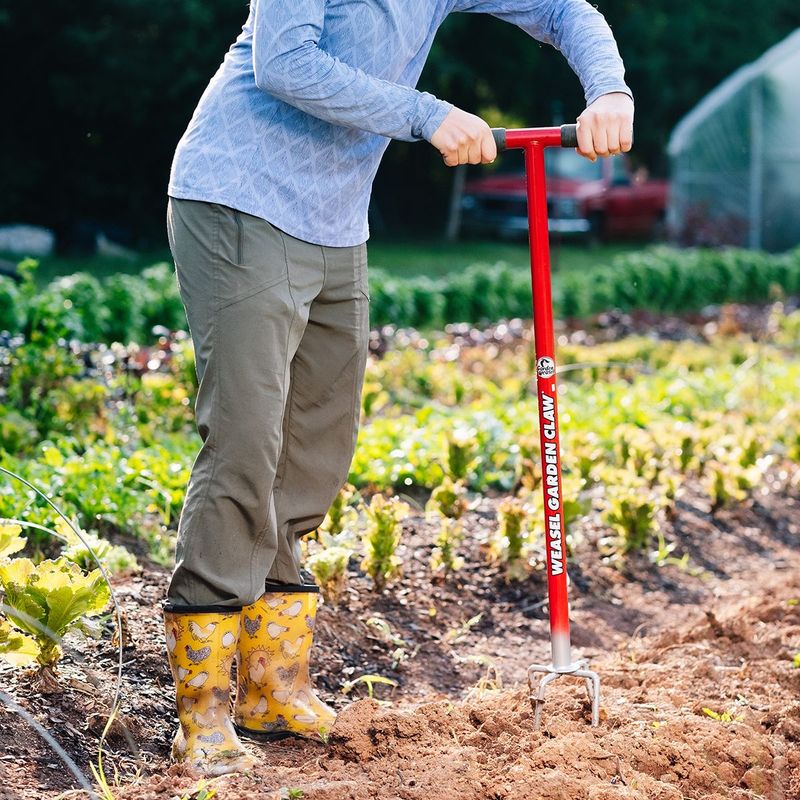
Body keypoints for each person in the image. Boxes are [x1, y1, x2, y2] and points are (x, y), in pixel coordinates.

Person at [162, 0, 634, 776]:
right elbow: (283, 62)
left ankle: (271, 688)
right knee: (247, 442)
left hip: (336, 223)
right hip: (238, 196)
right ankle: (204, 713)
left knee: (316, 450)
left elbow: (560, 7)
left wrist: (609, 89)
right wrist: (425, 113)